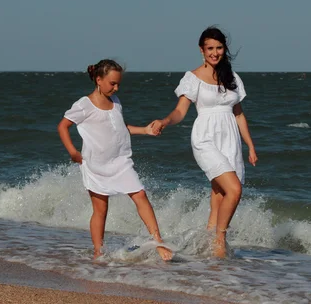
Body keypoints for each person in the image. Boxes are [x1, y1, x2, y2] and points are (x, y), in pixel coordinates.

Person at [151, 26, 257, 258]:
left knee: (220, 194)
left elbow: (238, 113)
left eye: (219, 48)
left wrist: (249, 144)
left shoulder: (232, 77)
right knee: (234, 190)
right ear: (202, 50)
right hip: (205, 137)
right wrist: (165, 121)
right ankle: (220, 241)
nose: (215, 52)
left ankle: (206, 248)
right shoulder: (193, 78)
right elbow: (180, 111)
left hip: (230, 139)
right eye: (210, 48)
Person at [58, 59, 173, 261]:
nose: (116, 87)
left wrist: (145, 130)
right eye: (112, 83)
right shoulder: (84, 105)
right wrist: (73, 152)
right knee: (100, 209)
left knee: (140, 194)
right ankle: (98, 252)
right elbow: (62, 126)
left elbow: (121, 127)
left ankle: (158, 241)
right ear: (99, 80)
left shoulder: (116, 102)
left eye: (118, 83)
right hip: (96, 165)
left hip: (121, 161)